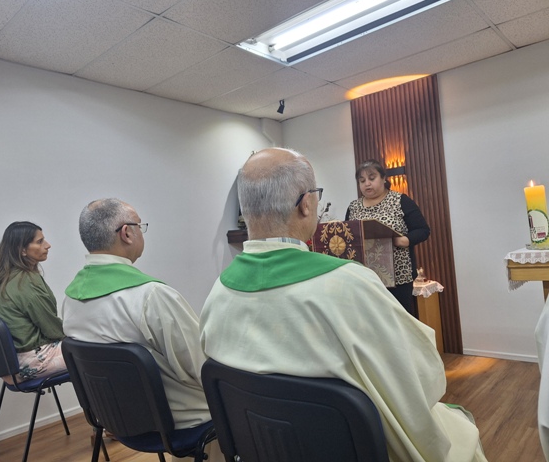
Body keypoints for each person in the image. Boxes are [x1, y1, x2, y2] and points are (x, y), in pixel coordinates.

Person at [199, 148, 486, 462]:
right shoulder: (350, 284)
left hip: (264, 448)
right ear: (306, 204)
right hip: (352, 449)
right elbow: (420, 376)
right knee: (460, 429)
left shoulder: (217, 294)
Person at [61, 198, 221, 462]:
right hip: (183, 422)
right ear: (126, 233)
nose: (141, 232)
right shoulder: (151, 295)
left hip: (116, 420)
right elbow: (201, 367)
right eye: (140, 226)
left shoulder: (71, 299)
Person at [345, 159, 430, 316]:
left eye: (372, 178)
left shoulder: (400, 201)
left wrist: (405, 240)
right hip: (365, 278)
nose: (367, 184)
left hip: (398, 277)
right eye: (362, 181)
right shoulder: (353, 207)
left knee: (400, 320)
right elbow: (349, 236)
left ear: (384, 178)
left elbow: (423, 230)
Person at [0, 221, 66, 383]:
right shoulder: (27, 281)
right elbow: (52, 330)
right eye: (39, 242)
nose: (47, 245)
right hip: (30, 362)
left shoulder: (4, 277)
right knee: (95, 350)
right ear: (22, 250)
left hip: (10, 364)